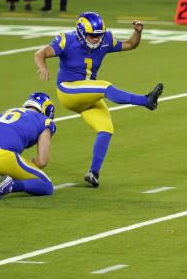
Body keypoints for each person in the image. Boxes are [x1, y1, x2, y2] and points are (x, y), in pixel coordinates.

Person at [34, 11, 164, 187]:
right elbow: (40, 53)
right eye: (92, 35)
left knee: (106, 128)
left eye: (99, 35)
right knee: (104, 86)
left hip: (88, 95)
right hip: (68, 90)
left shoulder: (106, 40)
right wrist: (43, 67)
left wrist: (138, 32)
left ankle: (93, 173)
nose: (96, 39)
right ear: (80, 32)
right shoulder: (66, 40)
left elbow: (131, 44)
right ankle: (146, 101)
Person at [0, 92, 56, 200]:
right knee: (47, 186)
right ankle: (11, 186)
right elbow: (42, 161)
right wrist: (30, 165)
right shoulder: (46, 121)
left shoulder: (8, 111)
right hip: (3, 159)